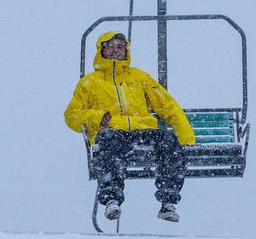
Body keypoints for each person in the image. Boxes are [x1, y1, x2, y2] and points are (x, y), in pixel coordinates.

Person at [64, 31, 195, 222]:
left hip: (142, 130)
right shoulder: (89, 83)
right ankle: (112, 199)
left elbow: (167, 106)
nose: (115, 50)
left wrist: (186, 137)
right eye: (110, 46)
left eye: (120, 47)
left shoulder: (139, 78)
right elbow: (71, 116)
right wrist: (96, 117)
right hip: (114, 132)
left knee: (167, 139)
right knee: (108, 140)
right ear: (102, 50)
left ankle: (168, 201)